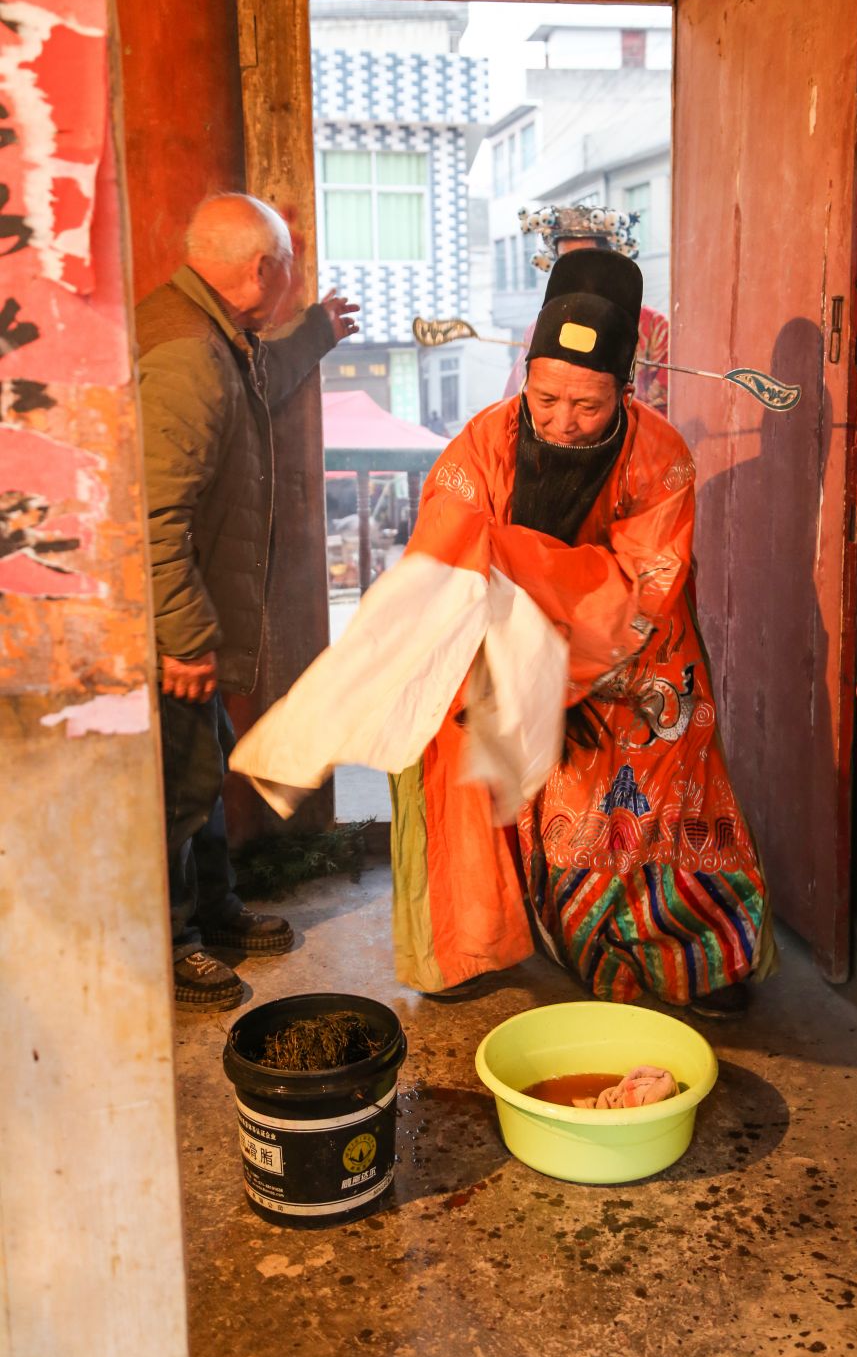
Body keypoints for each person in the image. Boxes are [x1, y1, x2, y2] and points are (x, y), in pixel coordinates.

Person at [231, 248, 775, 1018]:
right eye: (545, 397)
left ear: (625, 390)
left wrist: (516, 564)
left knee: (657, 768)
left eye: (588, 405)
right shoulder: (480, 448)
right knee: (450, 737)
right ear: (526, 376)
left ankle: (687, 952)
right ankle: (474, 941)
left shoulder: (660, 457)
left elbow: (647, 581)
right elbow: (443, 563)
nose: (562, 421)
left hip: (632, 647)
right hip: (493, 636)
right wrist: (498, 610)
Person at [136, 193, 359, 1009]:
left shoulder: (210, 334)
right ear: (263, 268)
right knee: (178, 787)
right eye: (289, 263)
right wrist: (187, 638)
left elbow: (252, 387)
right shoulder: (188, 354)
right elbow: (154, 516)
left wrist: (315, 333)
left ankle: (216, 909)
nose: (292, 277)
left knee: (204, 762)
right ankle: (173, 947)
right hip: (172, 628)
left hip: (186, 619)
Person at [505, 204, 670, 416]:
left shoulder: (654, 327)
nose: (577, 271)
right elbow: (515, 404)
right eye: (566, 262)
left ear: (610, 263)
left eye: (588, 260)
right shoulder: (539, 330)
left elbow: (667, 409)